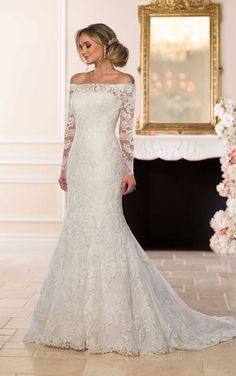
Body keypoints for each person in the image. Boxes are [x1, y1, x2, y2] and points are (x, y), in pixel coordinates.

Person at [23, 23, 236, 356]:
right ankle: (74, 319)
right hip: (80, 162)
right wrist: (64, 166)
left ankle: (115, 317)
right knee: (78, 231)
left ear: (105, 46)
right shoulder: (77, 82)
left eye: (88, 45)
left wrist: (128, 169)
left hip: (106, 161)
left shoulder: (124, 83)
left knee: (108, 228)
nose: (83, 52)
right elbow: (70, 128)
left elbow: (125, 132)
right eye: (80, 47)